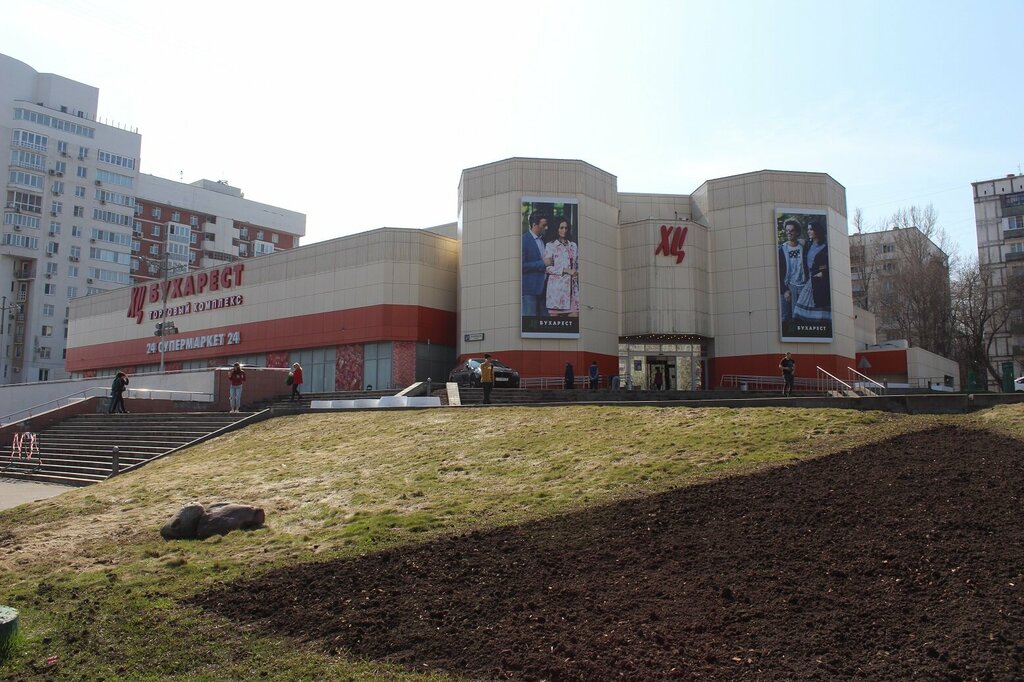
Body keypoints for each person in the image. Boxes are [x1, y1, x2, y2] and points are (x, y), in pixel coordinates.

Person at [794, 222, 831, 322]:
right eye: (808, 229)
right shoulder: (808, 245)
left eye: (811, 229)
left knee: (820, 311)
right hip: (809, 280)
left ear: (817, 230)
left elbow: (829, 265)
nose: (808, 231)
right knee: (800, 310)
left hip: (821, 282)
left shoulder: (826, 248)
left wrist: (823, 273)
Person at [543, 219, 579, 317]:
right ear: (556, 229)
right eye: (561, 228)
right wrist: (565, 270)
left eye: (566, 228)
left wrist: (576, 272)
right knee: (556, 322)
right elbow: (548, 268)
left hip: (572, 289)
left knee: (574, 316)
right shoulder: (550, 246)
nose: (564, 230)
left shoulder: (573, 245)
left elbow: (577, 264)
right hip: (557, 290)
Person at [778, 219, 809, 323]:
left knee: (801, 317)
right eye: (787, 230)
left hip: (803, 287)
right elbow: (779, 272)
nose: (789, 233)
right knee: (785, 318)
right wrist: (784, 290)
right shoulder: (781, 250)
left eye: (791, 230)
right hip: (789, 287)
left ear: (797, 232)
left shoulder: (804, 247)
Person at [521, 211, 549, 317]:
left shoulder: (543, 240)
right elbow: (521, 266)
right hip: (529, 290)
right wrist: (542, 263)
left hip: (544, 289)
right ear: (534, 225)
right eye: (543, 225)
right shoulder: (523, 240)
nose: (546, 228)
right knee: (529, 322)